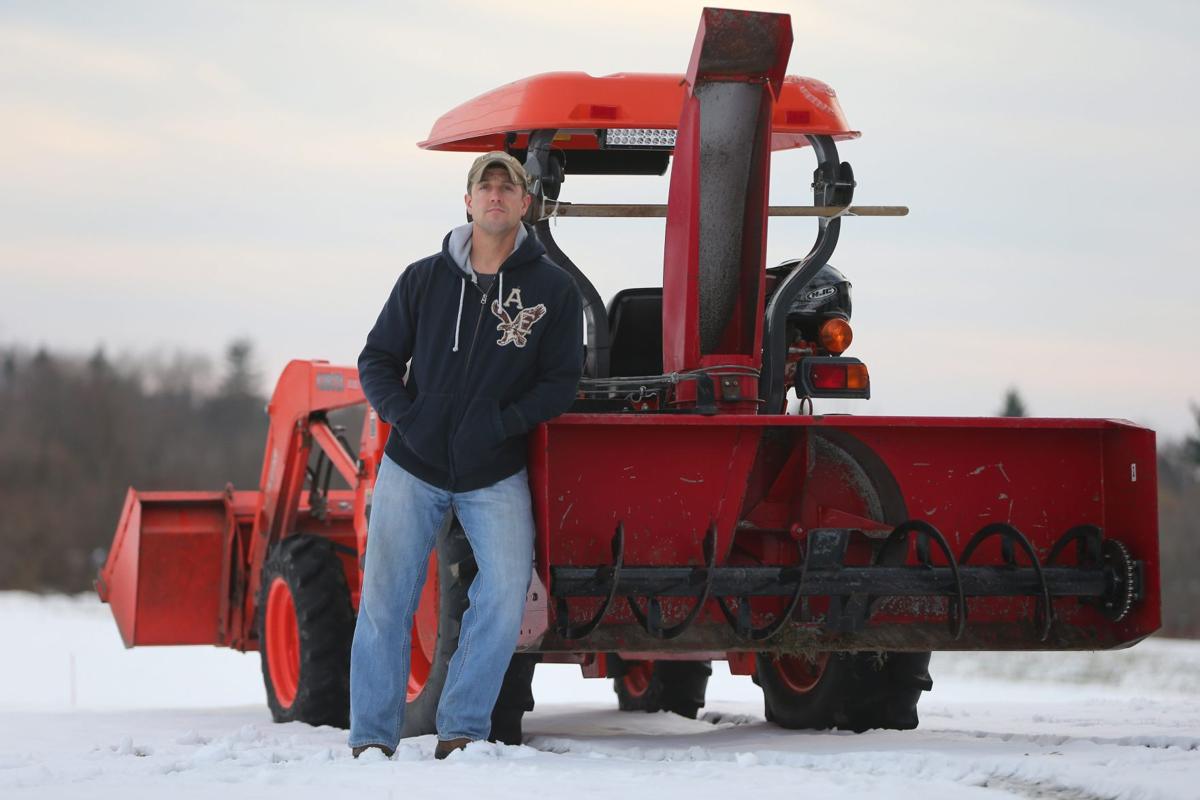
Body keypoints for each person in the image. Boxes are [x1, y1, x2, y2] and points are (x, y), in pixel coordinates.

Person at [348, 151, 583, 760]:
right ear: (469, 200)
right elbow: (376, 361)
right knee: (384, 601)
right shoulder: (422, 279)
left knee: (505, 596)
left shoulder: (552, 291)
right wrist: (409, 416)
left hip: (495, 470)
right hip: (413, 465)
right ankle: (372, 738)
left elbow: (561, 382)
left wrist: (503, 424)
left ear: (526, 204)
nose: (498, 195)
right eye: (487, 185)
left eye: (510, 187)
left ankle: (462, 731)